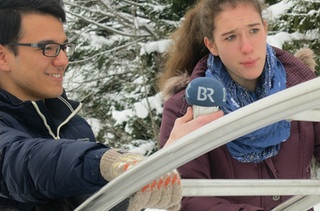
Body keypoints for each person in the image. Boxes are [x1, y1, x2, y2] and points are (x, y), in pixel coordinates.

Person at [0, 0, 223, 210]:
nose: (63, 60)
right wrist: (102, 163)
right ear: (3, 56)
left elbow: (94, 201)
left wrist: (159, 163)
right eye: (48, 48)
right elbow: (21, 163)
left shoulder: (69, 123)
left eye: (64, 47)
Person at [158, 0, 320, 210]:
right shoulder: (188, 108)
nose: (246, 47)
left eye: (253, 30)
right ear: (212, 44)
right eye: (231, 37)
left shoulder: (303, 88)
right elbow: (186, 197)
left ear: (265, 28)